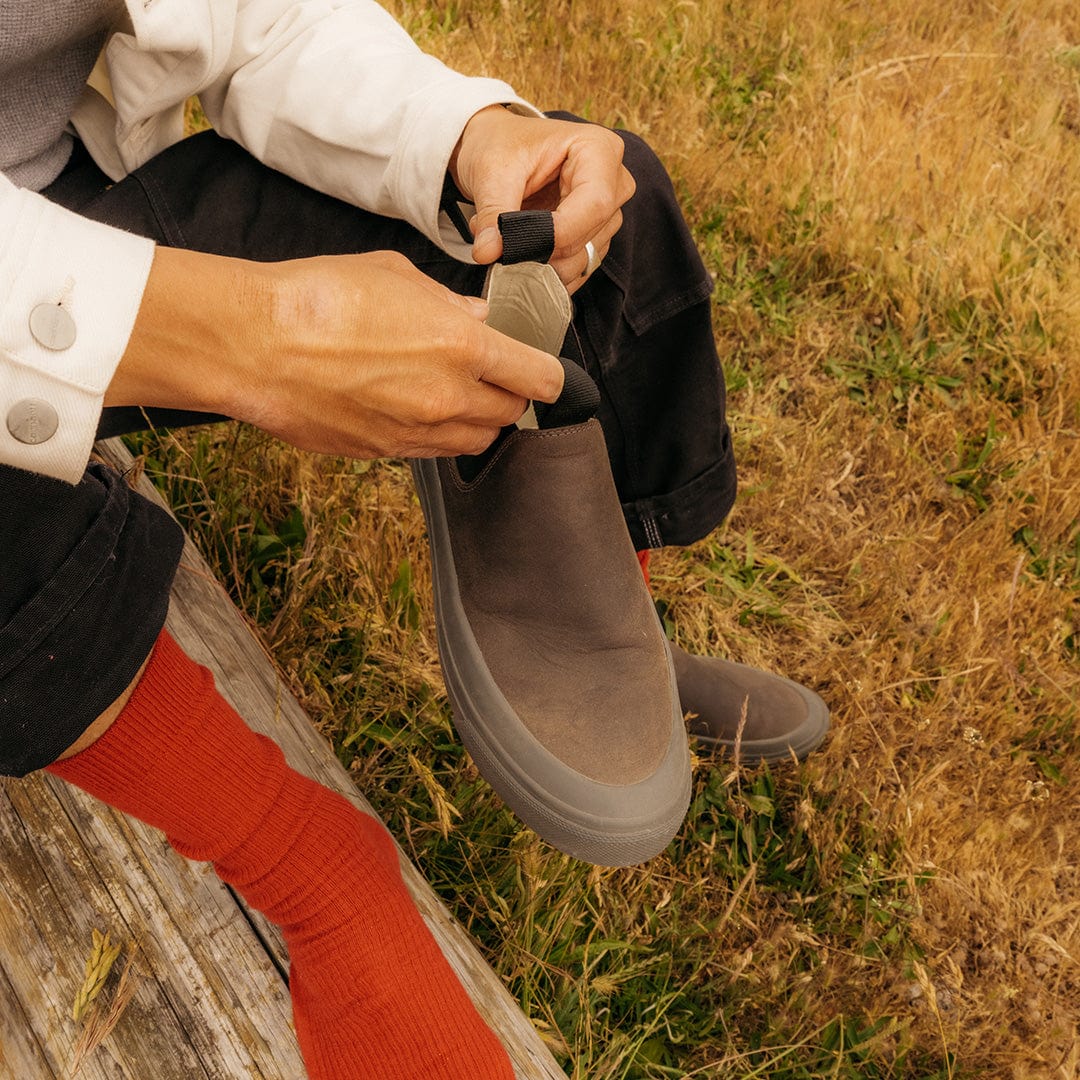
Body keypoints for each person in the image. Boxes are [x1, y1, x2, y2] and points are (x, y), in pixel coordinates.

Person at [0, 0, 829, 1075]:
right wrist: (244, 336)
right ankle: (313, 871)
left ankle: (614, 620)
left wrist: (469, 135)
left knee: (585, 223)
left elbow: (258, 17)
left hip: (62, 190)